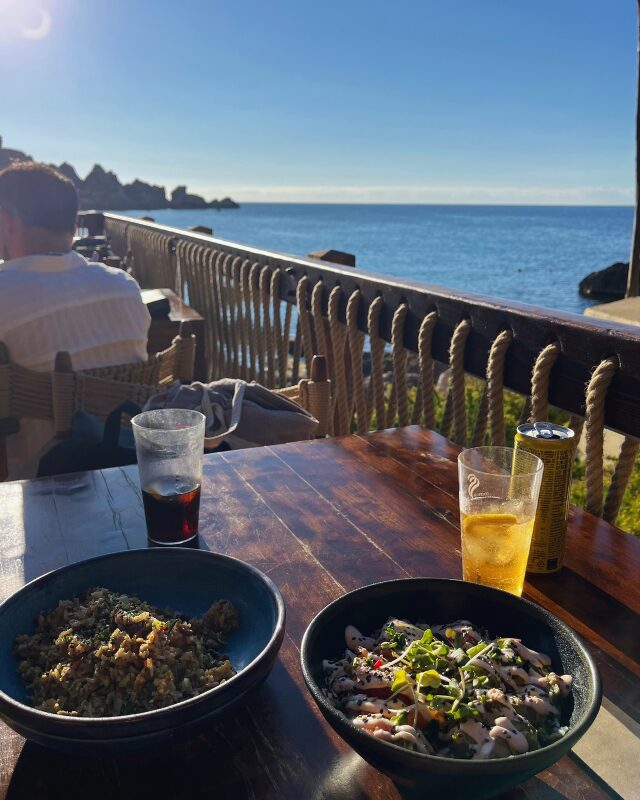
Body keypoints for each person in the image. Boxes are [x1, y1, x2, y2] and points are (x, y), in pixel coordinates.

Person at [0, 161, 151, 478]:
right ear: (73, 228)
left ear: (7, 221)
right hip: (128, 473)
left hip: (34, 493)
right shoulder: (124, 288)